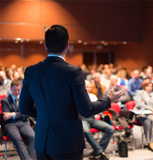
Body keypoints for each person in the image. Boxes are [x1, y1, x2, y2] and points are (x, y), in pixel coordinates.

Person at [19, 25, 122, 160]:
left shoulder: (31, 71)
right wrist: (108, 99)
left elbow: (24, 108)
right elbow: (86, 109)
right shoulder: (73, 72)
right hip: (67, 143)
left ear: (45, 45)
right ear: (67, 45)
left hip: (42, 143)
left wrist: (46, 114)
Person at [1, 80, 35, 160]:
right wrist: (20, 114)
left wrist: (12, 114)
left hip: (23, 123)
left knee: (33, 136)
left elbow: (26, 114)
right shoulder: (5, 101)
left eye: (19, 90)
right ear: (10, 89)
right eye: (15, 90)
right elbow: (6, 116)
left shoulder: (24, 100)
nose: (17, 92)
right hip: (10, 125)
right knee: (17, 138)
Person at [82, 80, 114, 159]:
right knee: (86, 131)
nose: (87, 88)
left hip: (92, 119)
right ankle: (99, 151)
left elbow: (98, 108)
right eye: (86, 87)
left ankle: (98, 151)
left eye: (89, 87)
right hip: (83, 119)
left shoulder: (93, 96)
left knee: (110, 129)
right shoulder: (79, 97)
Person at [134, 79, 153, 152]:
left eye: (151, 86)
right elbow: (139, 105)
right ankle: (150, 142)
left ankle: (152, 141)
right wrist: (151, 109)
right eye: (148, 86)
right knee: (147, 122)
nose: (149, 88)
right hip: (141, 114)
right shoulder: (139, 93)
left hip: (150, 114)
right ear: (144, 86)